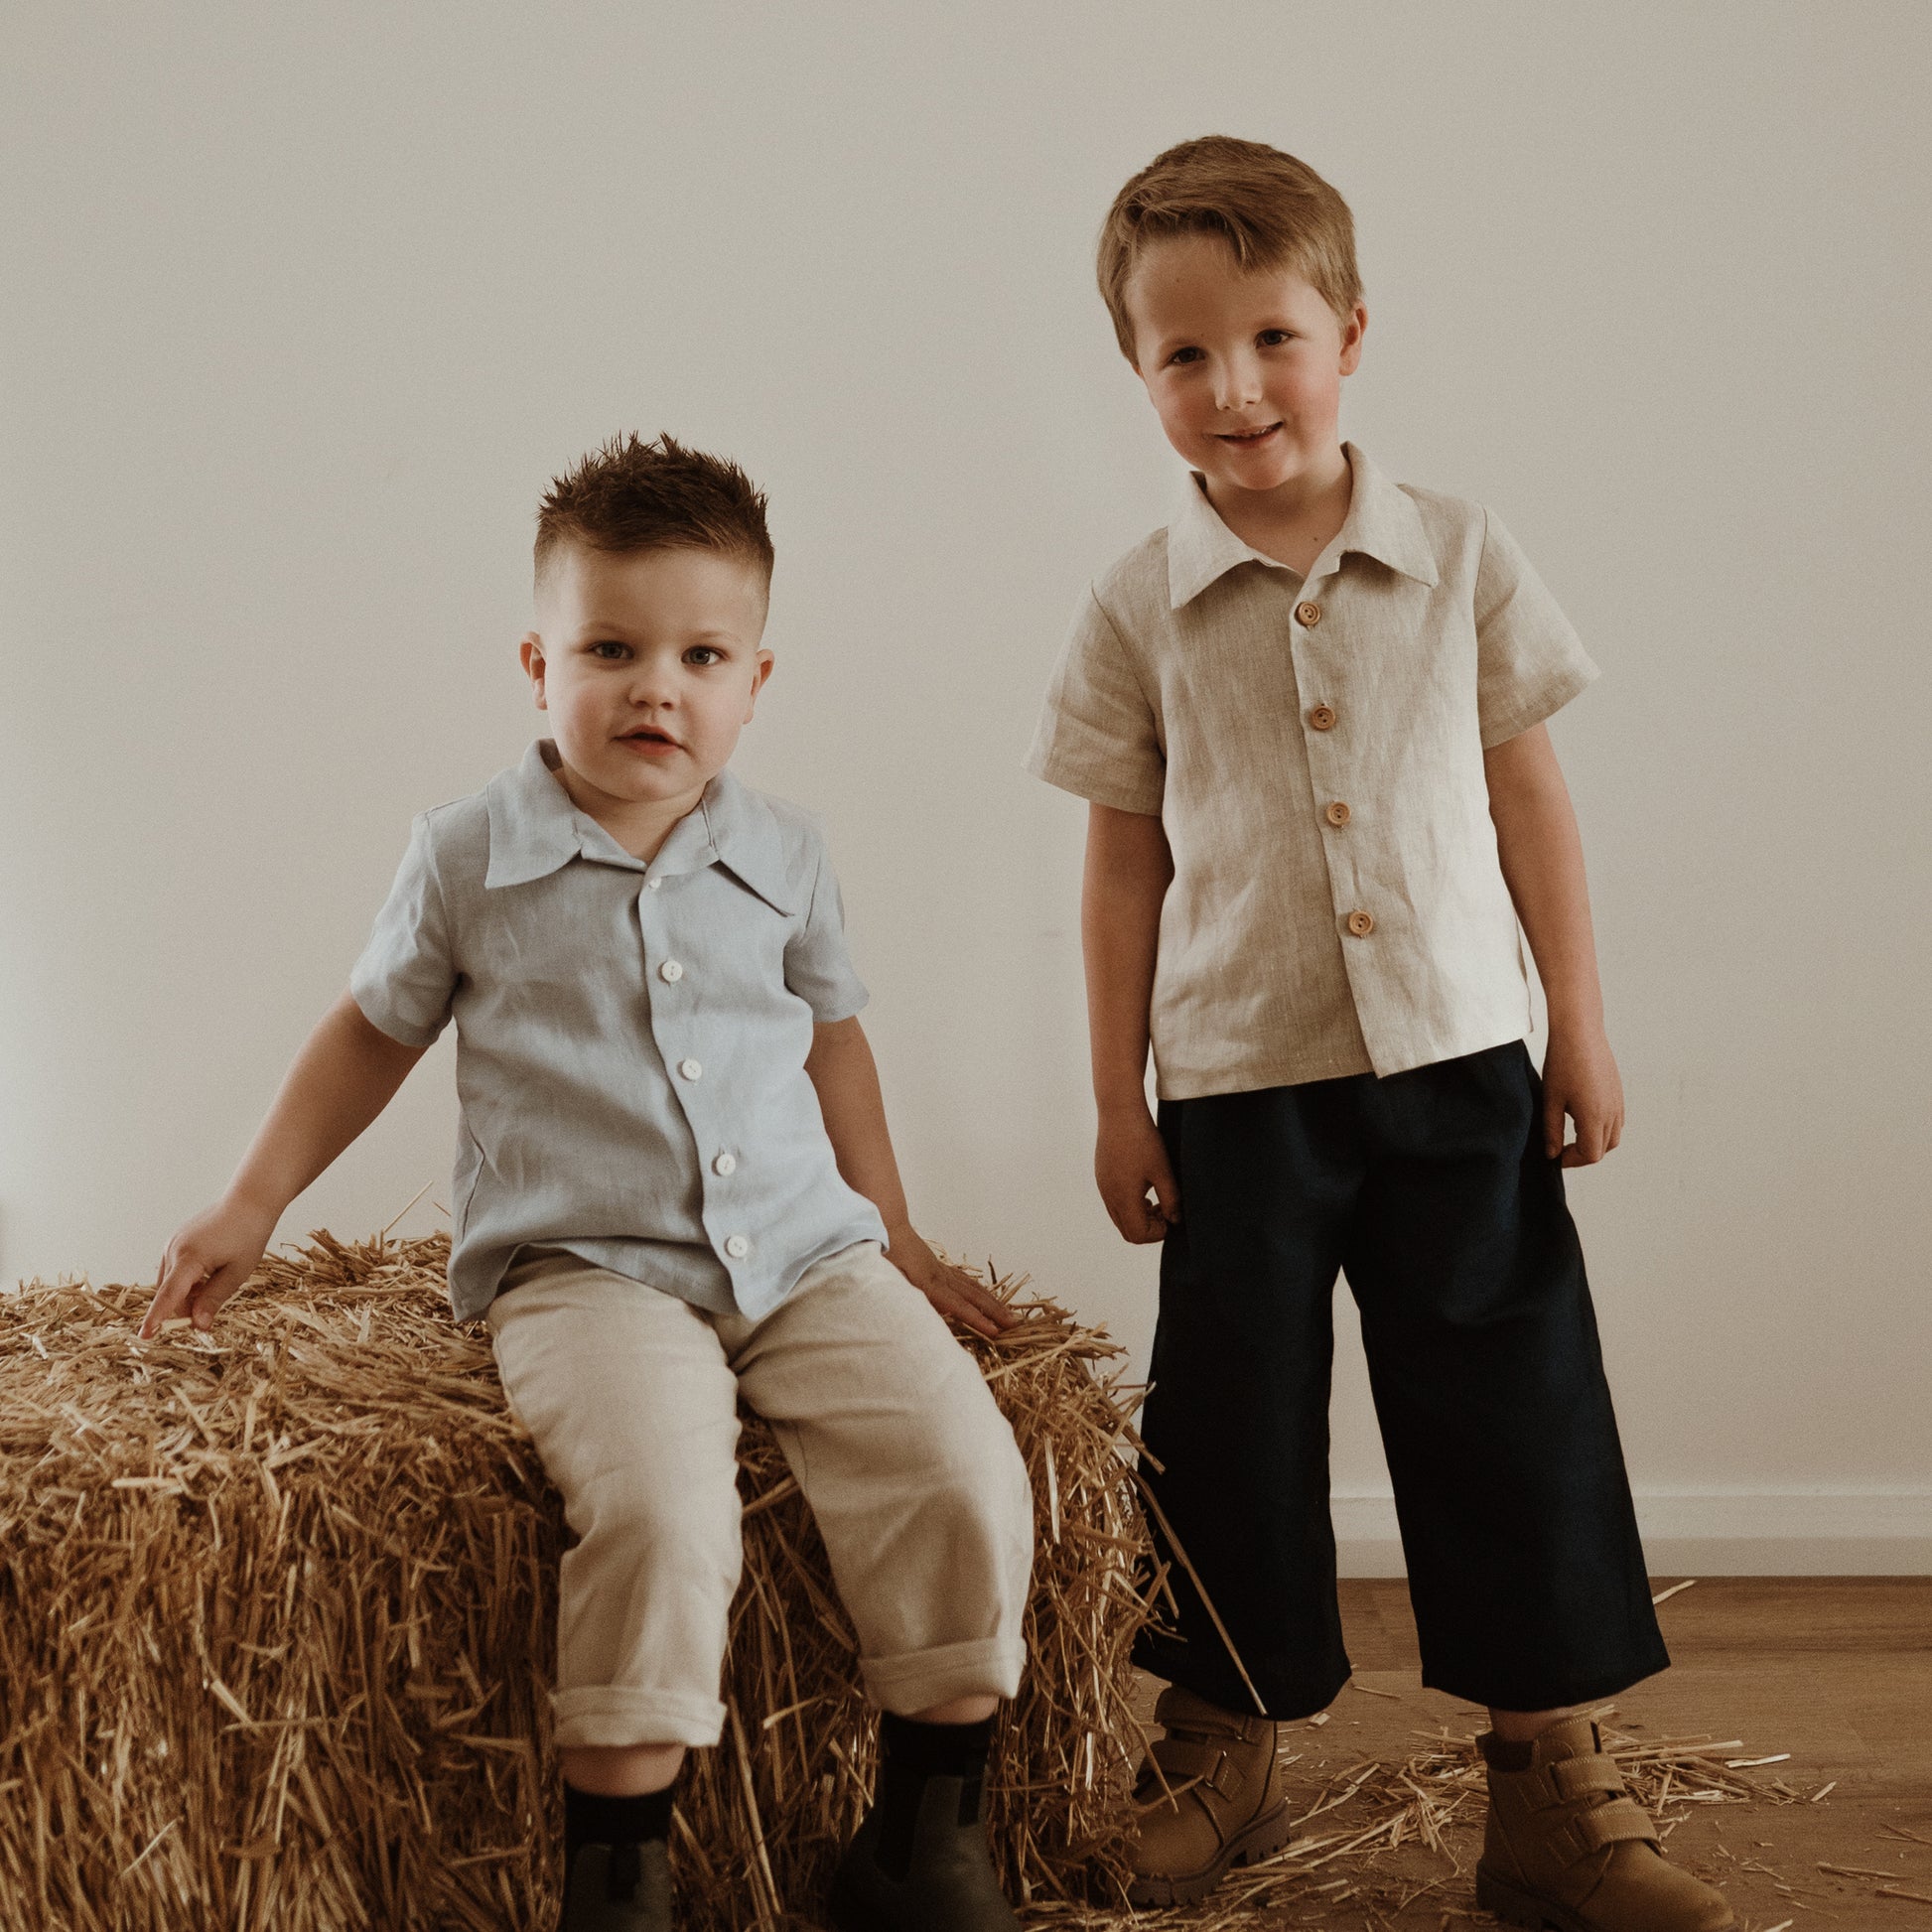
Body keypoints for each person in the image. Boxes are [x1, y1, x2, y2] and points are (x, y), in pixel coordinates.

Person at [143, 433, 1035, 1932]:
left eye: (700, 653)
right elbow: (368, 1033)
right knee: (663, 1509)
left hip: (804, 1255)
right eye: (610, 648)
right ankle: (620, 1869)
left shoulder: (788, 851)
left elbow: (834, 1045)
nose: (655, 687)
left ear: (757, 678)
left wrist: (895, 1233)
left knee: (962, 1464)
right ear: (535, 659)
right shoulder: (468, 855)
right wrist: (253, 1201)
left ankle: (924, 1833)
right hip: (586, 1267)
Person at [1026, 136, 1733, 1932]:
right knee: (1228, 1415)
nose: (1234, 384)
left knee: (1510, 1395)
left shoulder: (1461, 555)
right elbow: (1119, 865)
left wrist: (1579, 1024)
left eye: (1270, 335)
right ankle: (1216, 1741)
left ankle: (1547, 1781)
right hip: (1239, 1082)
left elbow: (1530, 805)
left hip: (1456, 1061)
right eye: (1183, 354)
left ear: (1348, 331)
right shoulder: (1134, 604)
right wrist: (1114, 1097)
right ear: (1137, 372)